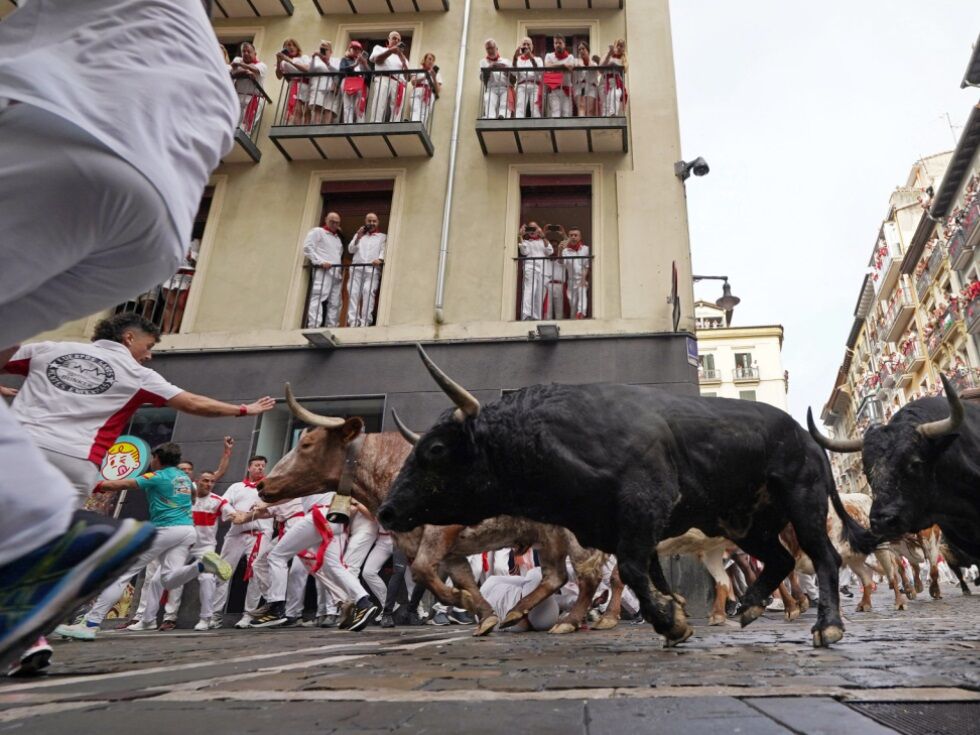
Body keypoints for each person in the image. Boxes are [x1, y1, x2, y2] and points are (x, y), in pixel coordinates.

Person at [0, 0, 239, 672]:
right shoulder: (132, 371)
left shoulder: (58, 353)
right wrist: (244, 413)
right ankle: (35, 551)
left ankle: (37, 531)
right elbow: (187, 402)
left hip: (68, 129)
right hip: (159, 220)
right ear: (136, 339)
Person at [3, 314, 274, 505]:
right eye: (148, 346)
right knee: (40, 540)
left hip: (16, 448)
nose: (149, 355)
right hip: (75, 459)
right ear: (129, 338)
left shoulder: (48, 349)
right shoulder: (137, 374)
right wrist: (243, 409)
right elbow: (193, 404)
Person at [54, 442, 232, 640]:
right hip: (187, 530)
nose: (151, 462)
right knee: (168, 579)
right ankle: (201, 566)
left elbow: (119, 484)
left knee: (122, 573)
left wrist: (89, 485)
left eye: (153, 458)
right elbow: (191, 498)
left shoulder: (155, 477)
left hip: (166, 529)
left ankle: (90, 624)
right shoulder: (184, 478)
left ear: (158, 459)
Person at [130, 437, 234, 631]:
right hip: (183, 544)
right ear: (196, 481)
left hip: (204, 547)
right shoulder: (184, 487)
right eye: (205, 480)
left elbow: (218, 476)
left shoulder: (217, 499)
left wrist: (227, 453)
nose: (209, 483)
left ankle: (206, 619)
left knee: (207, 578)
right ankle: (148, 620)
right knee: (156, 580)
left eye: (211, 481)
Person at [246, 490, 378, 631]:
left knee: (276, 556)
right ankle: (364, 602)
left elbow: (290, 494)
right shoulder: (335, 475)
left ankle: (276, 607)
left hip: (318, 516)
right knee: (333, 566)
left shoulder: (312, 473)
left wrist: (265, 503)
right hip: (335, 519)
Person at [210, 456, 274, 628]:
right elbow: (223, 503)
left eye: (263, 466)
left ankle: (249, 614)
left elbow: (275, 507)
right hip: (236, 533)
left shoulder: (269, 487)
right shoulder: (236, 486)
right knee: (222, 571)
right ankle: (215, 614)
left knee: (255, 574)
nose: (260, 468)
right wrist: (233, 514)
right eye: (256, 465)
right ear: (249, 467)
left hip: (259, 534)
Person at [303, 212, 346, 328]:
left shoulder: (337, 238)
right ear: (326, 220)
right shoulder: (317, 231)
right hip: (323, 271)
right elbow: (307, 248)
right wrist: (320, 262)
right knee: (318, 296)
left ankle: (331, 327)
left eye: (337, 222)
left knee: (335, 302)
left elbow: (338, 254)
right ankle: (314, 326)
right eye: (332, 221)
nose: (334, 224)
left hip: (336, 273)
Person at [347, 213, 387, 327]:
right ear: (365, 222)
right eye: (369, 221)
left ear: (377, 222)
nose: (371, 223)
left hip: (372, 270)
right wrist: (358, 237)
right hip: (356, 269)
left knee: (368, 292)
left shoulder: (382, 236)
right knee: (354, 293)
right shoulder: (359, 235)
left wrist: (380, 259)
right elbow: (350, 249)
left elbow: (384, 250)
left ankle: (365, 322)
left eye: (374, 221)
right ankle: (353, 322)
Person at [159, 238, 201, 335]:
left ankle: (174, 329)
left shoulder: (196, 242)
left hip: (185, 275)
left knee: (180, 304)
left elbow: (194, 260)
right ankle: (166, 330)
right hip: (170, 274)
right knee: (169, 304)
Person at [369, 32, 410, 123]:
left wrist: (402, 60)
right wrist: (391, 51)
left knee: (396, 108)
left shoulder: (403, 58)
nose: (396, 41)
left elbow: (407, 78)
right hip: (383, 78)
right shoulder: (379, 48)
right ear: (388, 39)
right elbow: (376, 60)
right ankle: (375, 124)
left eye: (399, 40)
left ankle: (394, 126)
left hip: (399, 82)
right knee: (379, 102)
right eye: (394, 38)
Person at [230, 42, 268, 135]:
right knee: (233, 122)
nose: (246, 53)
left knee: (246, 127)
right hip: (238, 96)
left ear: (255, 53)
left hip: (253, 98)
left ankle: (245, 136)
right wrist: (247, 71)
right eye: (244, 51)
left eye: (248, 51)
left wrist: (242, 66)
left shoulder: (262, 65)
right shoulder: (238, 59)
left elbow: (255, 70)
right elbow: (233, 73)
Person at [518, 222, 553, 320]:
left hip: (542, 271)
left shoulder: (543, 241)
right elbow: (524, 251)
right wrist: (520, 236)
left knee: (539, 295)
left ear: (539, 230)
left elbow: (550, 251)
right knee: (529, 291)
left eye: (535, 228)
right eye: (530, 228)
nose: (532, 231)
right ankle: (526, 315)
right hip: (531, 268)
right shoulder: (527, 241)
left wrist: (543, 236)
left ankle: (536, 318)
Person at [275, 38, 310, 125]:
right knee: (297, 110)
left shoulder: (304, 57)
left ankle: (306, 130)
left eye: (292, 45)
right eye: (287, 46)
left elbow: (307, 69)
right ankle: (297, 130)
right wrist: (278, 61)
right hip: (295, 86)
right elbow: (279, 76)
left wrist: (288, 60)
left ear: (297, 47)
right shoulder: (283, 63)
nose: (290, 47)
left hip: (306, 84)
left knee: (307, 110)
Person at [307, 40, 341, 125]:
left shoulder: (336, 60)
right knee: (317, 109)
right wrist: (313, 58)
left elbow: (338, 73)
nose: (324, 51)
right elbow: (310, 72)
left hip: (332, 87)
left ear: (331, 51)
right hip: (318, 86)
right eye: (322, 48)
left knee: (329, 110)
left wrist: (327, 62)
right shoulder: (316, 60)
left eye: (326, 49)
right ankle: (316, 129)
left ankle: (326, 131)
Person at [560, 228, 591, 320]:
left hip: (582, 278)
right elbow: (562, 263)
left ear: (580, 237)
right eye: (571, 235)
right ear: (569, 237)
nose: (573, 237)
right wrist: (559, 250)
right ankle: (575, 318)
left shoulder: (585, 249)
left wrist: (583, 279)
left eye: (575, 235)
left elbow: (586, 266)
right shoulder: (565, 251)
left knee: (582, 294)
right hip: (571, 281)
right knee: (573, 304)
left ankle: (581, 312)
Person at [543, 36, 575, 119]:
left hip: (567, 88)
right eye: (556, 43)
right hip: (554, 88)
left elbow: (571, 68)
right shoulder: (549, 55)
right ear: (553, 45)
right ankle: (555, 131)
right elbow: (547, 66)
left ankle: (565, 132)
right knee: (555, 111)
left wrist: (555, 68)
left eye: (560, 43)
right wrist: (562, 65)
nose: (557, 45)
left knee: (566, 112)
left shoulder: (570, 57)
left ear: (564, 44)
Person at [339, 41, 371, 124]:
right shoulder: (345, 59)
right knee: (348, 105)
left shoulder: (363, 63)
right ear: (350, 49)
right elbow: (342, 70)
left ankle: (360, 124)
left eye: (358, 49)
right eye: (354, 49)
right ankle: (348, 124)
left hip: (360, 84)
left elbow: (370, 76)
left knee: (359, 105)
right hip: (348, 82)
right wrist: (355, 64)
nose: (356, 51)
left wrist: (365, 64)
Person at [512, 37, 542, 119]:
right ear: (521, 47)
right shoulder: (518, 59)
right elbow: (514, 73)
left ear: (532, 47)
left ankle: (537, 127)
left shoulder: (538, 59)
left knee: (535, 108)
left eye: (528, 44)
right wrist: (514, 58)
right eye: (524, 44)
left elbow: (539, 72)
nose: (526, 46)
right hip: (521, 85)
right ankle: (518, 125)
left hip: (534, 85)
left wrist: (531, 58)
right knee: (520, 106)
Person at [480, 39, 510, 119]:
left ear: (496, 48)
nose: (490, 50)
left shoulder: (506, 61)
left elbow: (513, 77)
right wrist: (490, 67)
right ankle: (490, 118)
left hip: (504, 87)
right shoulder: (483, 62)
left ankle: (503, 116)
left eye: (492, 48)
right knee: (489, 100)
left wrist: (505, 69)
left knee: (505, 102)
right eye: (488, 48)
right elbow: (482, 77)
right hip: (491, 88)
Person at [409, 53, 442, 125]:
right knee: (415, 110)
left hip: (429, 94)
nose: (431, 61)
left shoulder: (436, 74)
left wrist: (433, 76)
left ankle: (420, 128)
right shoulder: (419, 69)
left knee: (424, 114)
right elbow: (413, 82)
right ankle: (414, 127)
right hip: (418, 91)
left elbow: (438, 90)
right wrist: (426, 76)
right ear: (425, 60)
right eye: (429, 59)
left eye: (433, 60)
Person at [601, 39, 628, 117]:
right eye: (618, 45)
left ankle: (613, 114)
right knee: (606, 99)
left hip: (617, 82)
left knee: (615, 95)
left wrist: (615, 66)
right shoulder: (609, 56)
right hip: (606, 81)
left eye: (621, 46)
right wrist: (610, 54)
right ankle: (605, 116)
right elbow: (602, 67)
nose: (619, 47)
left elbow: (624, 69)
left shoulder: (623, 58)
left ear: (623, 49)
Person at [574, 42, 599, 117]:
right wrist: (580, 62)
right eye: (579, 49)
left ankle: (589, 127)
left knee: (590, 109)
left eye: (583, 49)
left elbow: (595, 72)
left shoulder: (594, 64)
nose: (581, 51)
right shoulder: (576, 62)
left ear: (588, 50)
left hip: (591, 87)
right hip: (579, 87)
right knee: (581, 107)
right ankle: (582, 127)